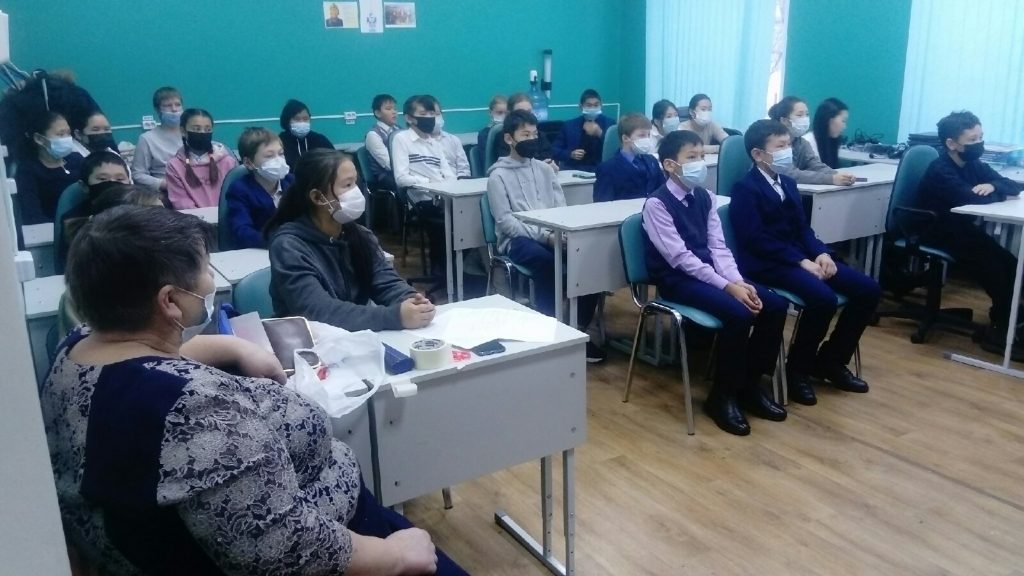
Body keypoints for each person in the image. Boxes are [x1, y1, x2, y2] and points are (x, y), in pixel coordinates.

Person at [42, 204, 466, 576]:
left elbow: (142, 362)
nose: (211, 281)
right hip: (341, 546)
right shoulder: (194, 410)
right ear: (170, 301)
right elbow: (285, 552)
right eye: (205, 270)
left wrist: (232, 346)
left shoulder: (78, 348)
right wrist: (394, 555)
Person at [643, 130, 788, 435]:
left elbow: (718, 247)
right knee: (739, 314)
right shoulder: (656, 204)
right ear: (670, 165)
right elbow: (680, 258)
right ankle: (722, 395)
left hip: (711, 275)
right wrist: (727, 287)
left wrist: (737, 281)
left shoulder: (706, 197)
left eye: (701, 156)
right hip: (677, 280)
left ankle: (750, 385)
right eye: (691, 157)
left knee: (775, 305)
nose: (700, 162)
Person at [729, 119, 881, 406]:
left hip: (800, 257)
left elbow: (802, 229)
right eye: (780, 146)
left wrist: (821, 253)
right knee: (823, 299)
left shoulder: (787, 182)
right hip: (767, 263)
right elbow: (755, 239)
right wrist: (800, 261)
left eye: (789, 145)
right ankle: (797, 370)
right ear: (758, 154)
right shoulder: (745, 188)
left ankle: (831, 361)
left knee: (868, 290)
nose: (788, 151)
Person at [267, 149, 436, 331]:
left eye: (355, 182)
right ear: (317, 197)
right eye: (347, 185)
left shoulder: (360, 235)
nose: (356, 191)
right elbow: (318, 311)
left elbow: (385, 281)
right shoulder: (289, 246)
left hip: (351, 339)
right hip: (306, 342)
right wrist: (395, 316)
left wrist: (412, 301)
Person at [487, 110, 605, 363]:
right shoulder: (497, 176)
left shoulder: (545, 170)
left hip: (552, 233)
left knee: (590, 263)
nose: (532, 139)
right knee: (546, 262)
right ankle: (550, 332)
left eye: (534, 134)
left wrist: (560, 234)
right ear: (509, 139)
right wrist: (546, 237)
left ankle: (577, 329)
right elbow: (506, 222)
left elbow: (560, 209)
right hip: (517, 241)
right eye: (525, 135)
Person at [918, 110, 1024, 353]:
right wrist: (995, 192)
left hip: (960, 229)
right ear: (952, 144)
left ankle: (1007, 317)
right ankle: (1001, 329)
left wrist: (992, 186)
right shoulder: (940, 170)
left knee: (1009, 263)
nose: (980, 144)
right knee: (993, 268)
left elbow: (1013, 186)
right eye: (973, 140)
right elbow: (970, 198)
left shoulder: (973, 164)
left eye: (981, 137)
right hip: (935, 230)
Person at [391, 94, 455, 279]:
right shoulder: (401, 139)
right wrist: (430, 184)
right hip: (420, 200)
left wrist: (449, 185)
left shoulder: (434, 143)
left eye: (432, 113)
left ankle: (461, 269)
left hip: (443, 197)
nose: (429, 118)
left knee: (472, 218)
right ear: (410, 118)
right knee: (444, 223)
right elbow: (401, 178)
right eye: (423, 113)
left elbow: (448, 173)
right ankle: (441, 271)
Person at [58, 151, 133, 266]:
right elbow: (71, 263)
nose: (112, 184)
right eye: (102, 179)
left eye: (120, 179)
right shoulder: (73, 219)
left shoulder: (139, 212)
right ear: (84, 186)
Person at [225, 127, 295, 249]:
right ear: (248, 163)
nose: (278, 160)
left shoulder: (292, 181)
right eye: (269, 156)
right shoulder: (239, 190)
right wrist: (279, 242)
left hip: (295, 249)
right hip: (259, 251)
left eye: (281, 154)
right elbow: (242, 231)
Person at [767, 96, 856, 186]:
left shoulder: (802, 143)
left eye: (807, 115)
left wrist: (839, 175)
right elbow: (789, 173)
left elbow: (815, 165)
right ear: (784, 121)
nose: (805, 119)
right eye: (799, 115)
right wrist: (831, 179)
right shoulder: (774, 143)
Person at [16, 111, 84, 224]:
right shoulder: (28, 170)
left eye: (68, 133)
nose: (67, 139)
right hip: (52, 229)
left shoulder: (77, 159)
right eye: (60, 134)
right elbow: (32, 213)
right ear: (39, 139)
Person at [165, 108, 238, 209]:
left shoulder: (228, 162)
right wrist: (201, 217)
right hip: (193, 218)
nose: (203, 133)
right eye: (196, 129)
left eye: (208, 129)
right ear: (183, 131)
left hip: (226, 216)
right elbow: (180, 201)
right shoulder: (174, 166)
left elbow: (236, 195)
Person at [593, 113, 665, 202]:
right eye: (641, 135)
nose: (647, 139)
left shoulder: (652, 161)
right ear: (625, 138)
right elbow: (602, 203)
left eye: (648, 135)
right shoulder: (607, 168)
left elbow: (663, 191)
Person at [132, 86, 184, 194]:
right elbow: (138, 175)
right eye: (168, 106)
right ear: (158, 109)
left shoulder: (190, 134)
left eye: (178, 104)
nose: (174, 109)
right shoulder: (147, 139)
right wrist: (165, 185)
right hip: (165, 193)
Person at [553, 88, 615, 172]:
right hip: (574, 169)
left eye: (596, 105)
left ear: (601, 105)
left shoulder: (610, 124)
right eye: (589, 105)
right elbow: (554, 150)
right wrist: (570, 154)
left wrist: (600, 133)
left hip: (601, 170)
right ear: (581, 106)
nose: (593, 108)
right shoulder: (569, 125)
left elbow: (616, 149)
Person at [492, 92, 555, 165]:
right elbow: (506, 163)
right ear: (510, 114)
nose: (526, 116)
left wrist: (549, 165)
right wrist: (538, 166)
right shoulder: (502, 138)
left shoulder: (540, 135)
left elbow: (550, 157)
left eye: (529, 112)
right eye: (521, 112)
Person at [279, 99, 334, 172]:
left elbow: (335, 161)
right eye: (297, 119)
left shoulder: (319, 139)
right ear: (287, 121)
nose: (302, 122)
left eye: (305, 119)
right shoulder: (280, 142)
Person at [364, 93, 399, 190]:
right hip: (386, 177)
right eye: (388, 109)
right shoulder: (373, 135)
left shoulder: (399, 130)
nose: (394, 112)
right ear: (378, 113)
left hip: (403, 171)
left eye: (395, 109)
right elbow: (389, 164)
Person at [433, 98, 471, 178]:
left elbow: (464, 169)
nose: (435, 118)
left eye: (437, 114)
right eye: (431, 115)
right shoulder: (418, 142)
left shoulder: (453, 140)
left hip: (456, 182)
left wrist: (460, 181)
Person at [810, 97, 849, 169]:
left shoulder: (831, 141)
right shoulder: (807, 143)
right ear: (829, 119)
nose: (844, 127)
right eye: (843, 121)